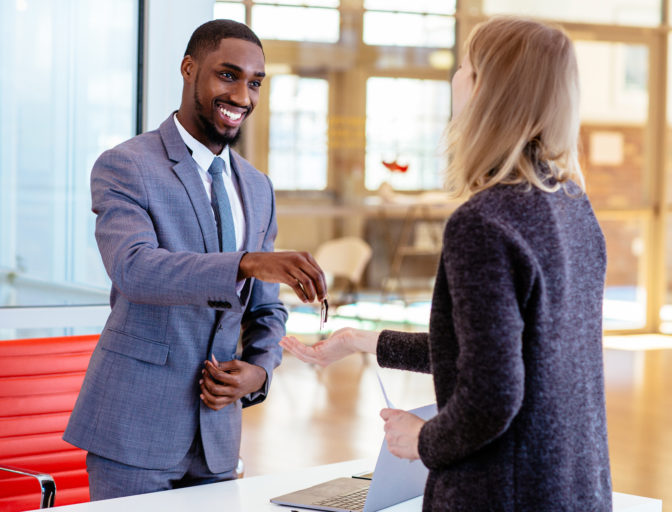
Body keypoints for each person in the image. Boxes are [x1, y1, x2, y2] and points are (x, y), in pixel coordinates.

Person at [281, 16, 612, 511]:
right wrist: (360, 342)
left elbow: (493, 393)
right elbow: (488, 350)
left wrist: (422, 439)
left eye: (464, 66)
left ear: (487, 91)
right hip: (572, 489)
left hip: (501, 493)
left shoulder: (483, 222)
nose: (456, 78)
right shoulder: (573, 207)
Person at [64, 19, 327, 500]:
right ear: (189, 69)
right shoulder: (126, 165)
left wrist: (259, 371)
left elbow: (266, 310)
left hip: (217, 441)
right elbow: (136, 269)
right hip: (134, 433)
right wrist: (244, 263)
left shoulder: (258, 188)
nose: (242, 97)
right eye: (227, 76)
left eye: (254, 83)